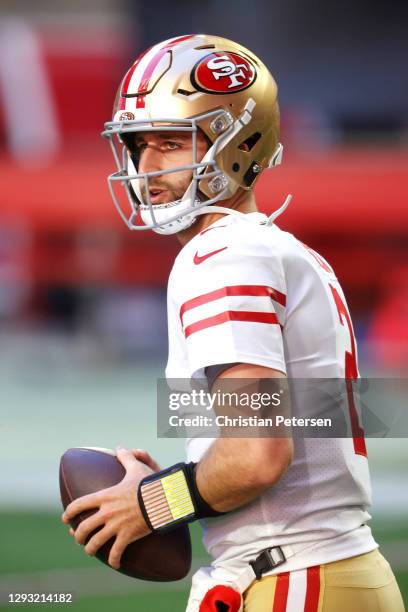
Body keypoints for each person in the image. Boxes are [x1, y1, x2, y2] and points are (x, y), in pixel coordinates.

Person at [62, 35, 404, 611]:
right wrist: (186, 474)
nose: (147, 168)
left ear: (239, 143)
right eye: (137, 145)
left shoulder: (220, 256)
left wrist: (152, 503)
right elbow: (279, 433)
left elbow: (258, 454)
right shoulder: (274, 249)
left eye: (171, 143)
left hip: (294, 578)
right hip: (326, 569)